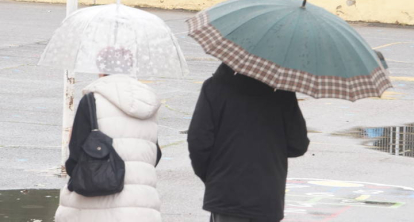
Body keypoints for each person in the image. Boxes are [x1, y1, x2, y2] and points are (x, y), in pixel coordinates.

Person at [187, 63, 309, 222]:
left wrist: (211, 177)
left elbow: (199, 141)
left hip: (225, 192)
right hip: (267, 194)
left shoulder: (214, 87)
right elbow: (298, 144)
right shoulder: (282, 93)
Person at [55, 73, 163, 221]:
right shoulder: (149, 103)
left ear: (102, 69)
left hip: (96, 204)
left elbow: (76, 156)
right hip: (143, 203)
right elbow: (154, 154)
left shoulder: (92, 100)